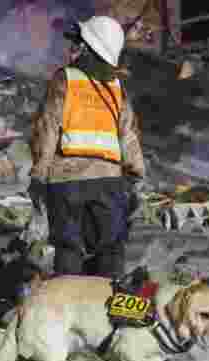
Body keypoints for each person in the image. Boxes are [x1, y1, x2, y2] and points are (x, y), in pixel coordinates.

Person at [28, 16, 146, 279]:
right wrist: (136, 172)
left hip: (66, 182)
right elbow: (128, 135)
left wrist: (39, 173)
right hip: (109, 184)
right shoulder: (117, 88)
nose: (74, 47)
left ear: (88, 47)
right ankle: (110, 312)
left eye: (79, 42)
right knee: (111, 252)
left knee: (70, 249)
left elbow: (47, 128)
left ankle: (69, 308)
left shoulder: (65, 79)